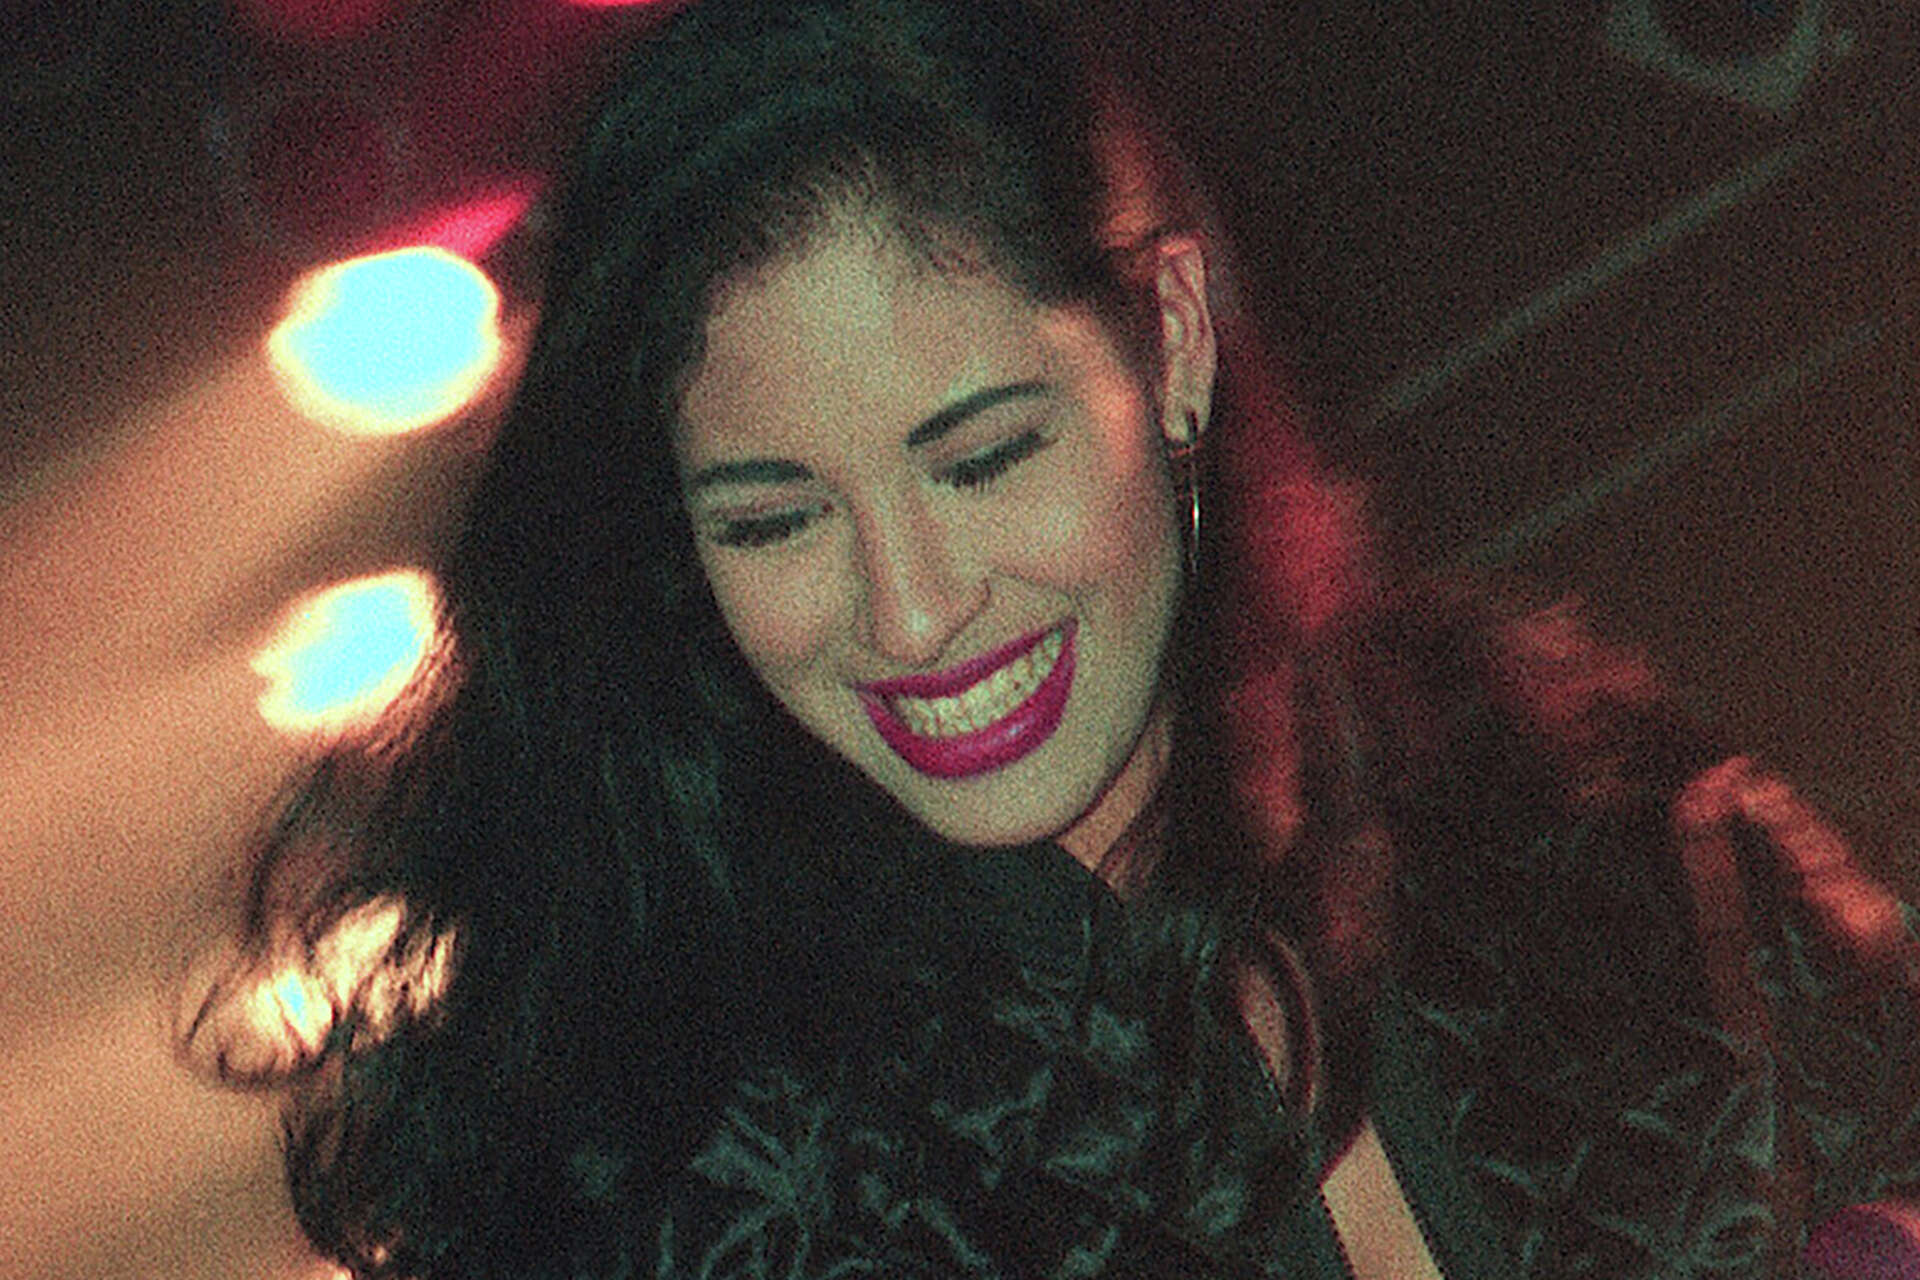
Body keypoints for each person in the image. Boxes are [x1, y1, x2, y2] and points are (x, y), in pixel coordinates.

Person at [183, 0, 1920, 1275]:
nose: (913, 609)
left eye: (983, 458)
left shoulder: (1580, 814)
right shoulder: (664, 1177)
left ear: (1172, 348)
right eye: (775, 519)